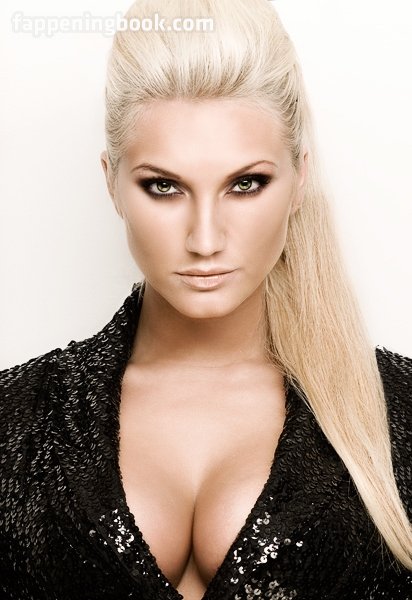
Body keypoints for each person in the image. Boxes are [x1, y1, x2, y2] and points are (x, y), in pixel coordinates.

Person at [1, 0, 411, 598]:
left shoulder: (399, 414)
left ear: (299, 179)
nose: (205, 239)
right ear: (111, 181)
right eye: (164, 186)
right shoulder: (17, 419)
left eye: (246, 184)